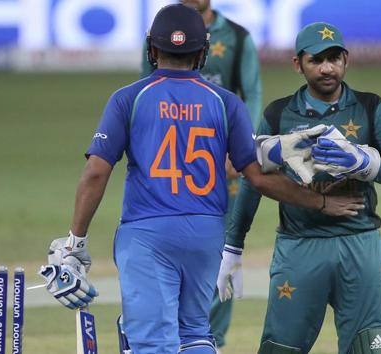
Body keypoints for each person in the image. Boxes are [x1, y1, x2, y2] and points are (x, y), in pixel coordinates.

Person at [42, 8, 364, 354]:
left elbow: (96, 172)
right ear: (203, 51)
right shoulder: (226, 103)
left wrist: (75, 242)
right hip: (206, 233)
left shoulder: (128, 98)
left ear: (152, 50)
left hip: (147, 233)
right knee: (194, 332)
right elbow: (257, 177)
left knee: (152, 342)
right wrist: (320, 202)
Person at [218, 22, 381, 354]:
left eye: (334, 58)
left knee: (367, 348)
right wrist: (233, 245)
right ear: (298, 64)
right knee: (280, 349)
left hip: (360, 246)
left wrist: (365, 163)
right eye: (316, 60)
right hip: (299, 249)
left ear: (346, 60)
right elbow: (255, 178)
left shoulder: (369, 107)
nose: (327, 68)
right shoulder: (279, 114)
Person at [141, 1, 262, 351]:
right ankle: (172, 338)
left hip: (223, 164)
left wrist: (240, 148)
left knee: (221, 255)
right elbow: (144, 91)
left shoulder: (238, 37)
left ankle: (213, 342)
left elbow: (251, 95)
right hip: (174, 160)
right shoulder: (159, 33)